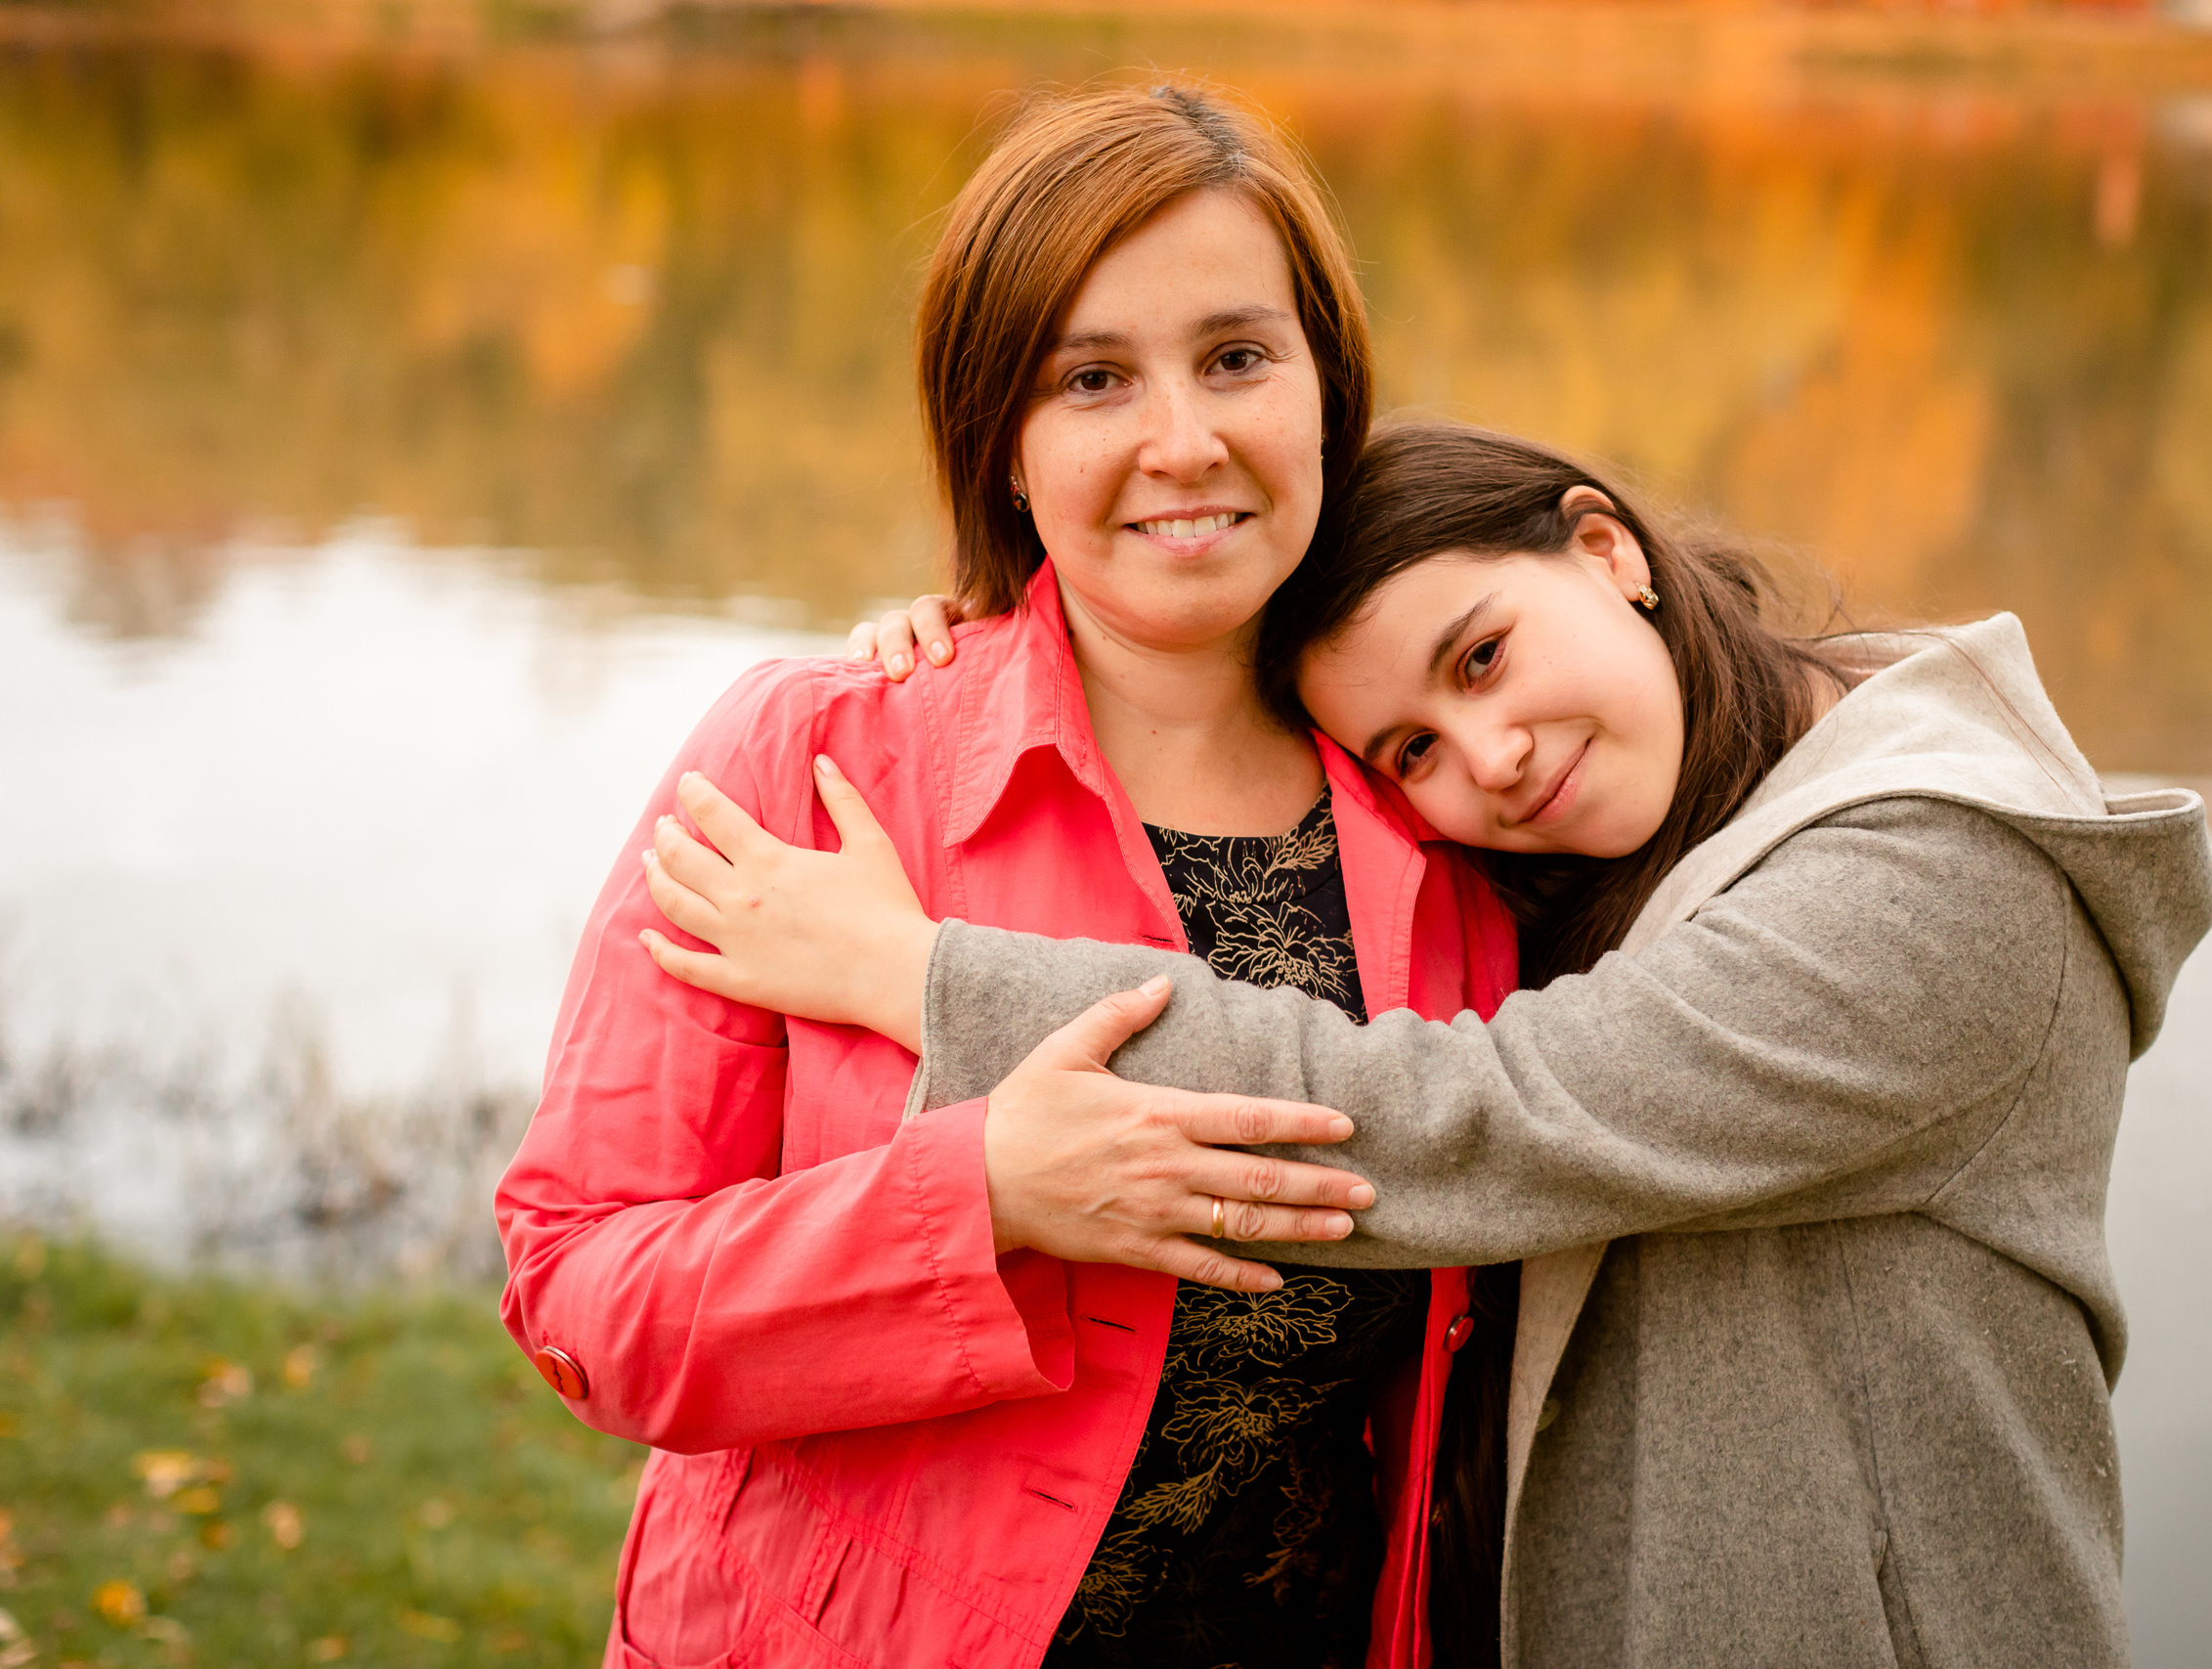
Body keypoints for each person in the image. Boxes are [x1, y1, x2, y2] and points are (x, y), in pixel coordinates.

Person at [637, 421, 2212, 1668]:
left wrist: (919, 975)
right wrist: (1014, 645)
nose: (1495, 756)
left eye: (1481, 658)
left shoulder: (1943, 878)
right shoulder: (1646, 828)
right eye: (1412, 750)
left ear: (1606, 551)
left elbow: (1478, 1114)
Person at [497, 92, 1520, 1669]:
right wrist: (978, 1196)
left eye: (1238, 357)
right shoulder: (821, 763)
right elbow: (583, 1297)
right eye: (1093, 379)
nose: (1183, 441)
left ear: (1327, 390)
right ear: (1003, 437)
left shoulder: (1455, 808)